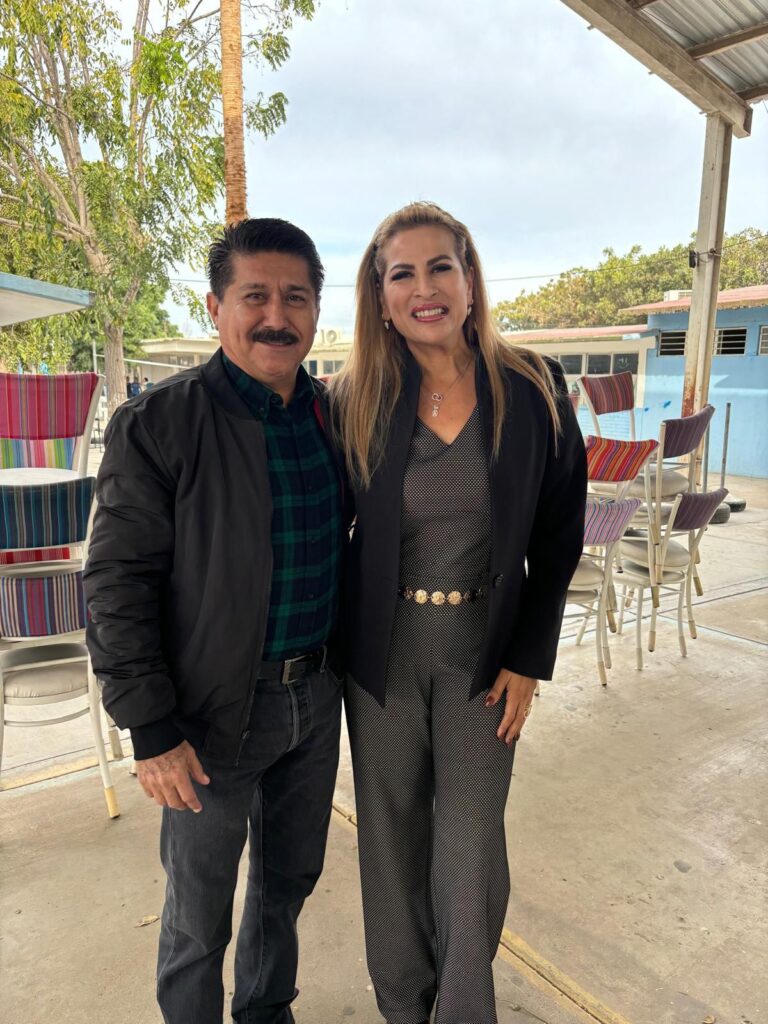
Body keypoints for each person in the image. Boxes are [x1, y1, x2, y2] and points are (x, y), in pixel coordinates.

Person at [84, 218, 348, 1024]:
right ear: (215, 306)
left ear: (316, 310)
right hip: (207, 714)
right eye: (254, 296)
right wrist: (150, 727)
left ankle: (265, 1011)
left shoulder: (332, 417)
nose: (276, 317)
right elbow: (117, 582)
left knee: (286, 884)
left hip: (315, 697)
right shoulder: (159, 423)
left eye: (295, 298)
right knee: (199, 913)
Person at [330, 202, 587, 1024]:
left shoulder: (533, 387)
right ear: (380, 298)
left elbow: (560, 535)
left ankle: (464, 1009)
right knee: (390, 836)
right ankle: (404, 1005)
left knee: (469, 842)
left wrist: (530, 659)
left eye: (441, 266)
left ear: (470, 279)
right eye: (401, 274)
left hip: (485, 651)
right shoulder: (353, 398)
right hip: (382, 654)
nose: (425, 288)